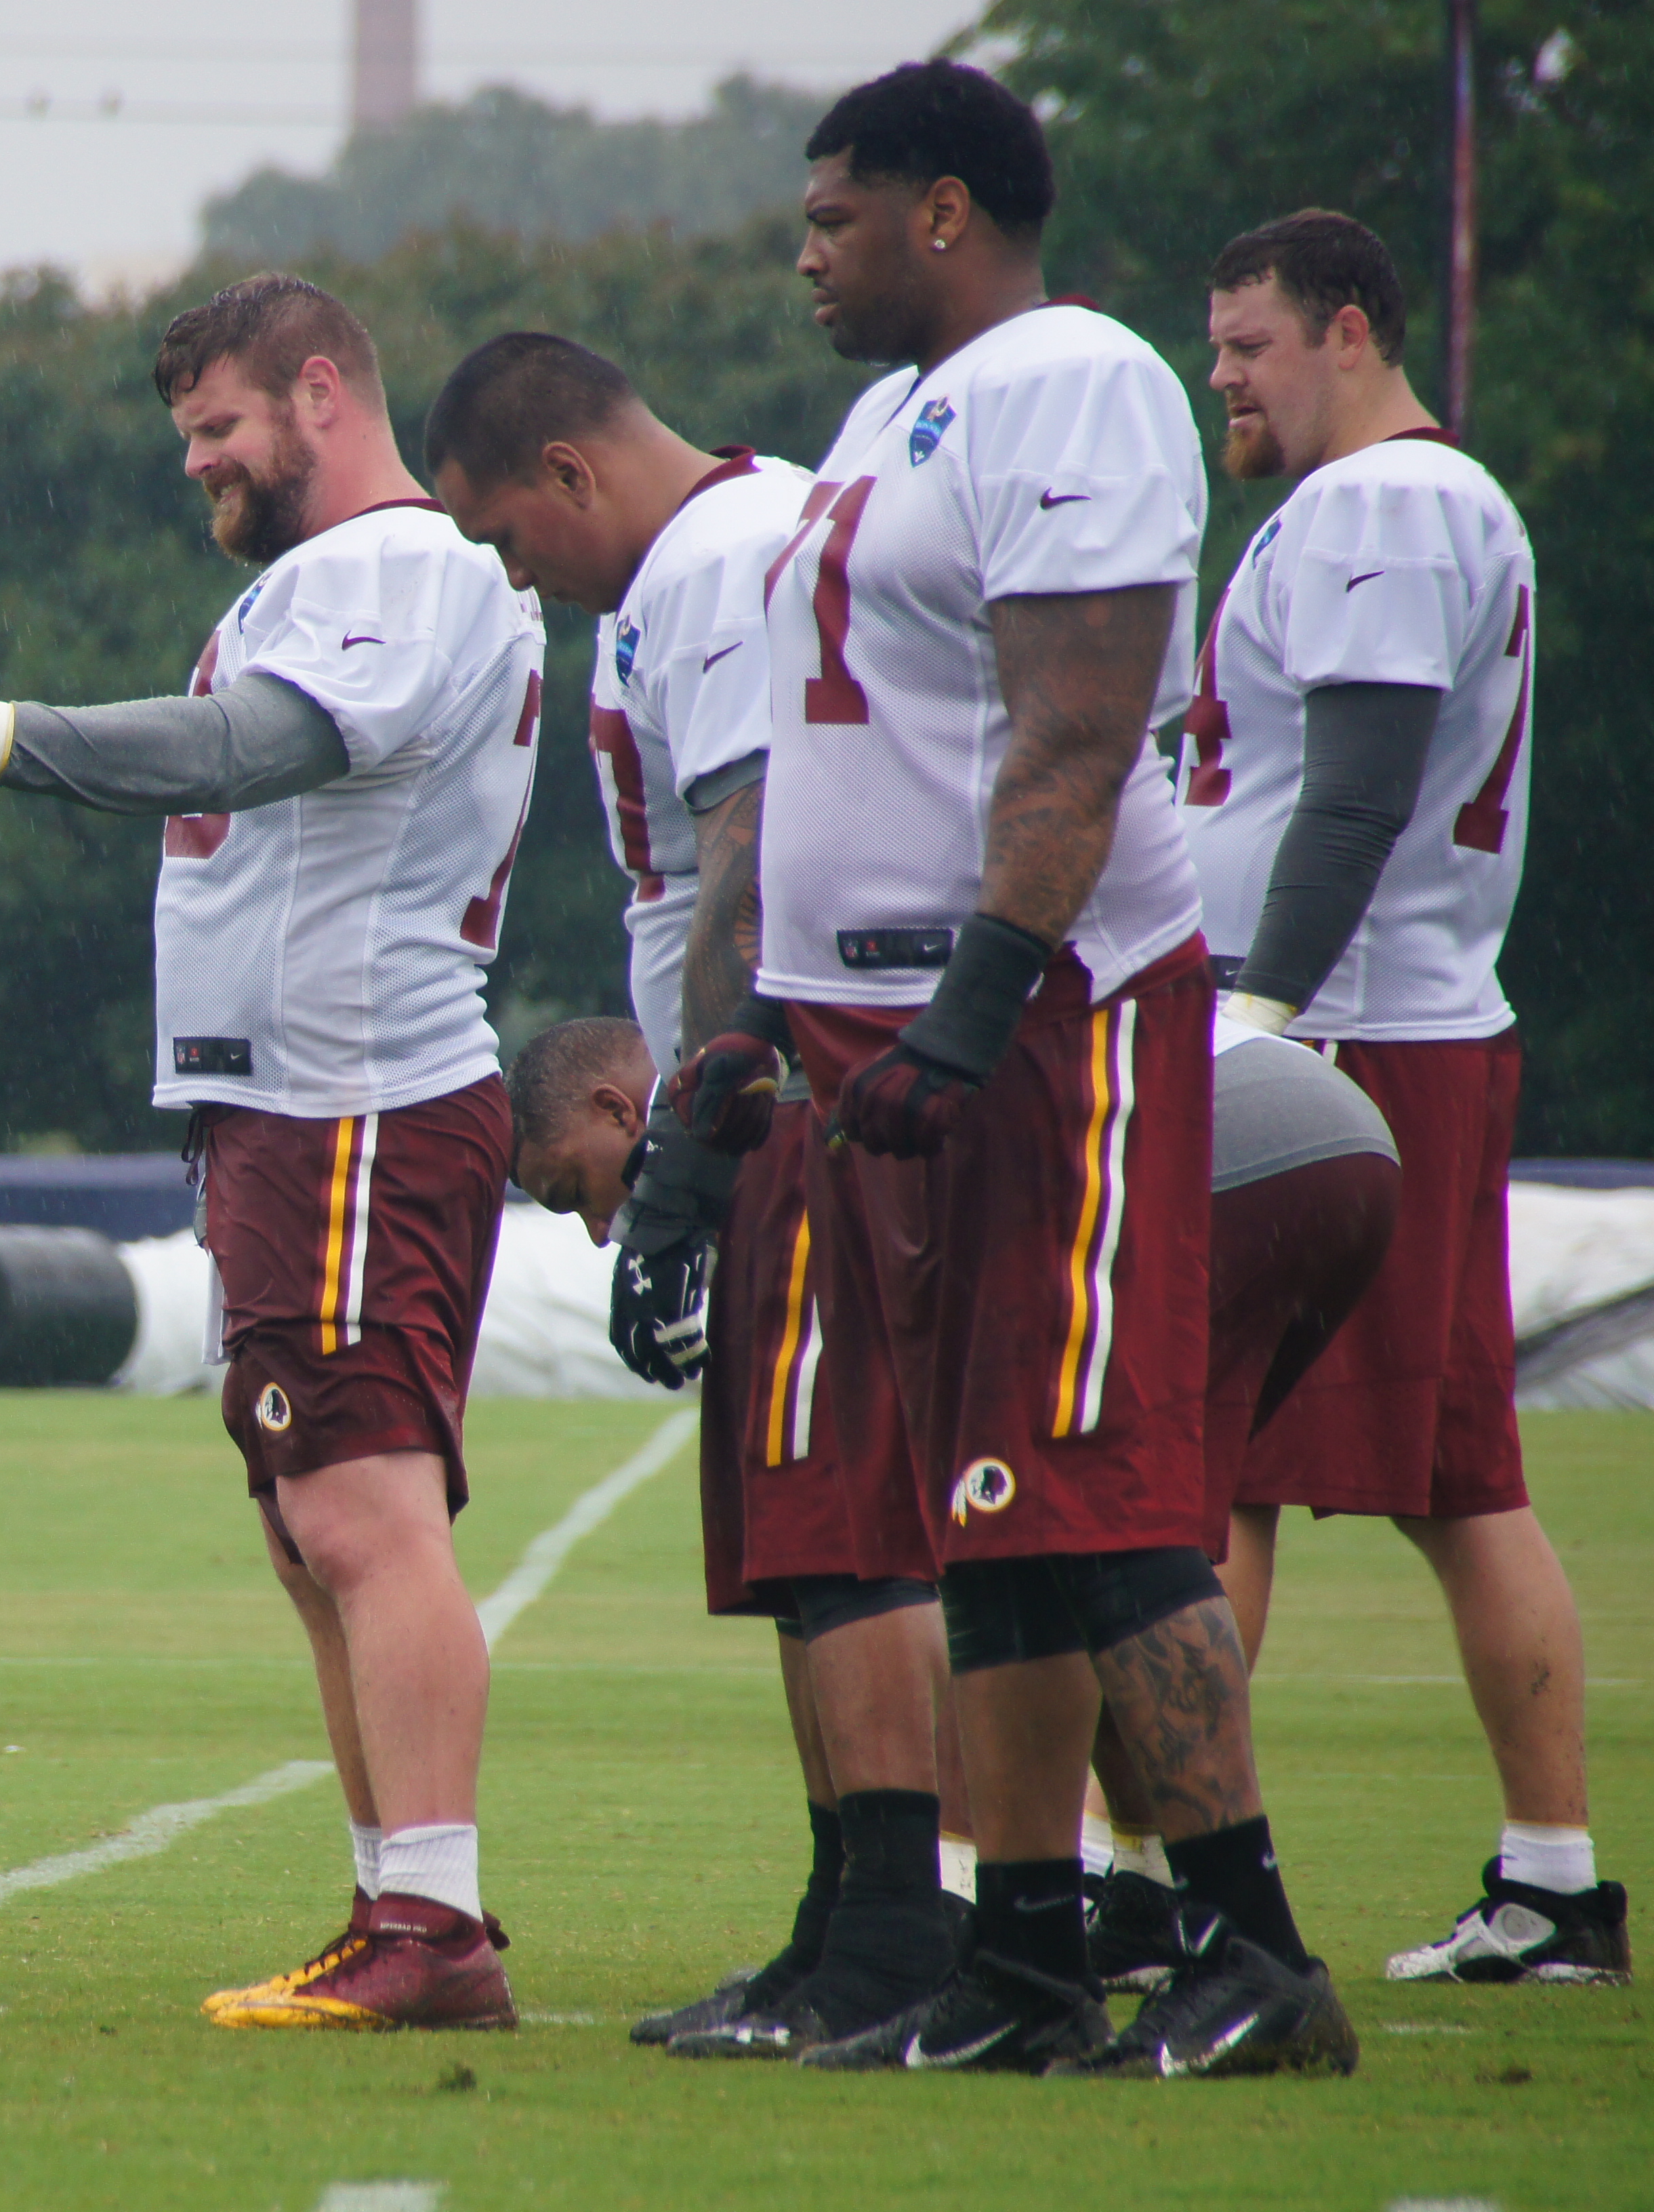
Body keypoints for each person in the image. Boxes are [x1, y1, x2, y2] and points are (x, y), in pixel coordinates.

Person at [669, 59, 1352, 2077]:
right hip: (873, 1036)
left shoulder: (1073, 379)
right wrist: (759, 1031)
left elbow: (1075, 723)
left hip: (1044, 1018)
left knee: (1097, 1483)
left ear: (945, 210)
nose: (808, 257)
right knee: (988, 1504)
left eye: (834, 219)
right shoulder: (892, 414)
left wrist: (976, 1003)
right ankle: (1029, 1955)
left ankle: (1254, 1950)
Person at [0, 273, 542, 2029]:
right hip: (292, 1106)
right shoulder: (326, 579)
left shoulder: (394, 564)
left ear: (320, 393)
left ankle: (432, 1926)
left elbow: (249, 748)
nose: (196, 464)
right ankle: (397, 1904)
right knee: (313, 1528)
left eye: (218, 427)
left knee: (362, 1513)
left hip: (357, 1093)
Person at [426, 329, 970, 2053]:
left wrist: (685, 1153)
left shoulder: (719, 557)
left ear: (568, 474)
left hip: (798, 1095)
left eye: (506, 536)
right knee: (805, 1545)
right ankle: (847, 1914)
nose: (515, 574)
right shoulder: (699, 560)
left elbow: (751, 855)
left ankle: (899, 1929)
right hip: (782, 1095)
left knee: (845, 1531)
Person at [512, 1004, 1403, 2028]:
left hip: (1187, 1135)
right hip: (1301, 1128)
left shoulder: (761, 1060)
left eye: (575, 1193)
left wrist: (680, 1183)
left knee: (1018, 1525)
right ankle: (1153, 1899)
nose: (596, 1229)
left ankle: (982, 1918)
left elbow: (773, 955)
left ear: (617, 1109)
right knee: (1108, 1533)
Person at [1178, 209, 1627, 1984]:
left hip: (1340, 1043)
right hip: (1398, 1032)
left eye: (1250, 345)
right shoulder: (1409, 501)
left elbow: (1356, 793)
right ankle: (1554, 1884)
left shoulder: (1379, 504)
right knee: (1460, 1479)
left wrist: (1252, 1022)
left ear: (1349, 330)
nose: (1224, 379)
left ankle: (1158, 1875)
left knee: (1213, 1459)